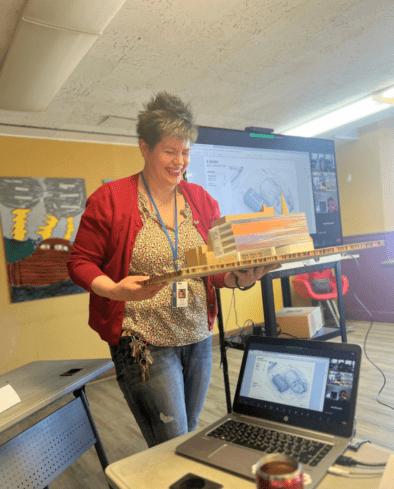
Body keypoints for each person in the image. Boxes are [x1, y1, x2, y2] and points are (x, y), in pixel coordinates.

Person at [67, 92, 279, 448]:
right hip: (144, 341)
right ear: (145, 147)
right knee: (171, 440)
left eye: (186, 152)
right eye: (170, 151)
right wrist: (116, 290)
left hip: (196, 336)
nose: (179, 161)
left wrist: (238, 278)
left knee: (189, 430)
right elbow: (79, 262)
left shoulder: (201, 200)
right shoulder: (111, 199)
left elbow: (213, 268)